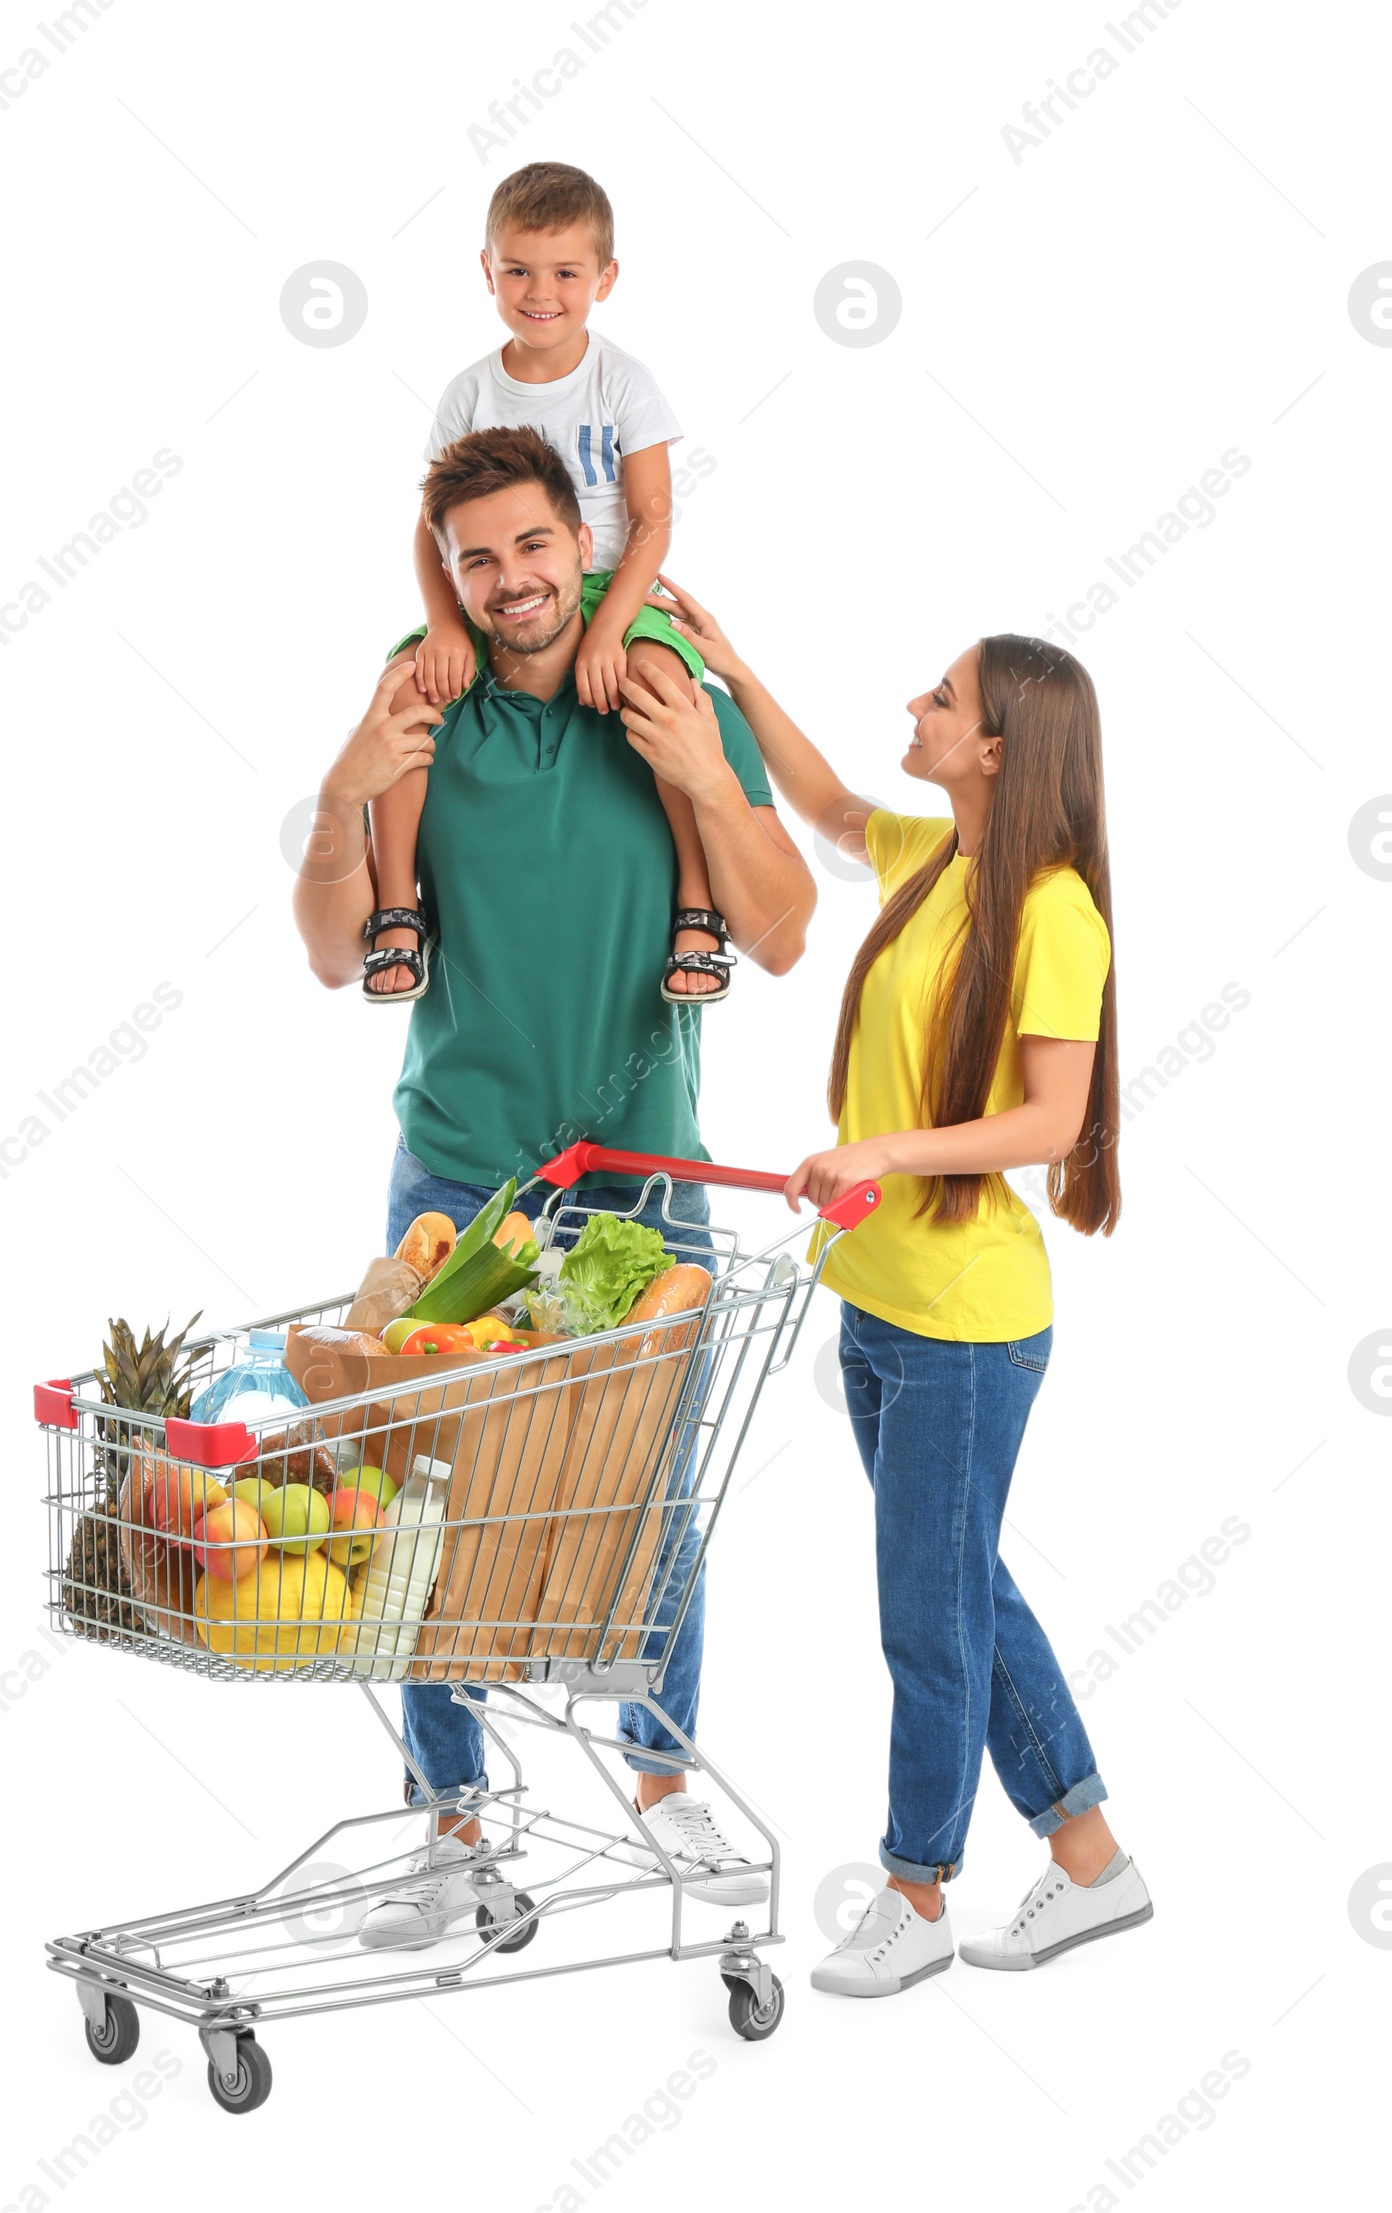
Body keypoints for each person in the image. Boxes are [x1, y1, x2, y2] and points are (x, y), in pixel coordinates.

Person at [291, 434, 817, 1947]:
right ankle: (450, 1822)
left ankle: (662, 1779)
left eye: (533, 546)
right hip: (462, 1182)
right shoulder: (422, 705)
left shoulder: (658, 686)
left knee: (644, 1497)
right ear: (447, 570)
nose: (511, 581)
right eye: (479, 559)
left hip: (641, 1179)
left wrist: (711, 776)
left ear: (578, 540)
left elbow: (778, 935)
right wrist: (342, 793)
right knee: (430, 1508)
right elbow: (338, 958)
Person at [643, 577, 1153, 1998]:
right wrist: (734, 668)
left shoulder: (1054, 913)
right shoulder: (936, 857)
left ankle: (917, 1891)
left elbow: (1052, 1124)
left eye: (941, 700)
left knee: (928, 1616)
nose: (915, 712)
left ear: (1001, 748)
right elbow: (819, 800)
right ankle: (1096, 1860)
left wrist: (889, 1146)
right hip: (882, 1299)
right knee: (962, 1586)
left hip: (965, 1324)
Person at [364, 160, 734, 1008]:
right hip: (491, 591)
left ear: (604, 278)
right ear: (486, 271)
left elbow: (652, 521)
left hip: (604, 588)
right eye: (520, 270)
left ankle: (697, 905)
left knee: (665, 683)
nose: (542, 291)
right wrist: (445, 626)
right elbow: (432, 527)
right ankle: (395, 907)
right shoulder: (469, 392)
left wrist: (611, 629)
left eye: (567, 272)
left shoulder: (623, 383)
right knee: (401, 689)